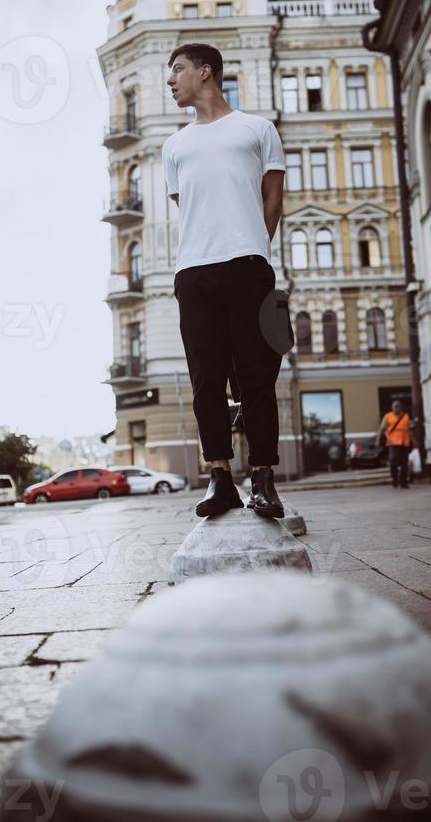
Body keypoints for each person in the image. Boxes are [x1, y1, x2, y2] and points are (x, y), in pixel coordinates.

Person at [163, 43, 286, 519]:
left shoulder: (257, 129)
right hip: (193, 271)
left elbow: (271, 203)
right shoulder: (174, 145)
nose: (171, 81)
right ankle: (220, 478)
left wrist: (251, 244)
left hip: (248, 266)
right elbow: (189, 208)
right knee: (205, 380)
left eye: (178, 70)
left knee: (257, 376)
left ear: (205, 71)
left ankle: (263, 480)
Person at [376, 400, 413, 489]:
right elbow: (381, 429)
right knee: (393, 462)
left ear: (401, 407)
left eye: (398, 407)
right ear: (392, 408)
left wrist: (413, 440)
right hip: (393, 443)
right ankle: (395, 480)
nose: (396, 409)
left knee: (404, 464)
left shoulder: (405, 416)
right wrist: (378, 440)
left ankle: (403, 483)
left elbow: (409, 429)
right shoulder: (388, 417)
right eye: (394, 407)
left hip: (404, 443)